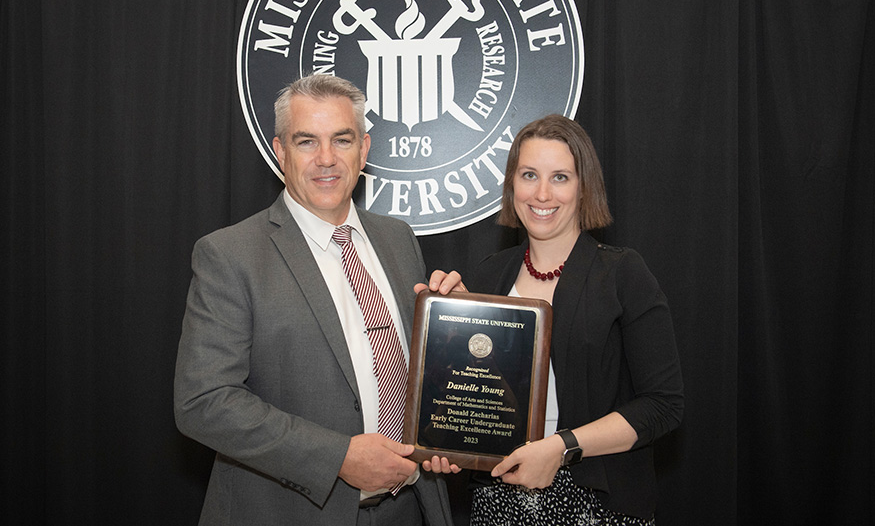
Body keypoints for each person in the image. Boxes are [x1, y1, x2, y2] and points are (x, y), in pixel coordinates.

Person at [174, 73, 462, 526]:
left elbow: (416, 373)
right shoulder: (230, 255)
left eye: (341, 140)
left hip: (410, 508)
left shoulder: (398, 238)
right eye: (306, 141)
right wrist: (339, 457)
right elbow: (204, 402)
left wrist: (457, 330)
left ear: (364, 150)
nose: (326, 159)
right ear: (280, 151)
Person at [464, 115, 683, 525]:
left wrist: (561, 447)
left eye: (560, 177)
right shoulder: (486, 276)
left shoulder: (623, 274)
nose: (542, 193)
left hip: (598, 504)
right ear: (512, 186)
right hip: (498, 501)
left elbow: (663, 406)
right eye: (529, 175)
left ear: (584, 189)